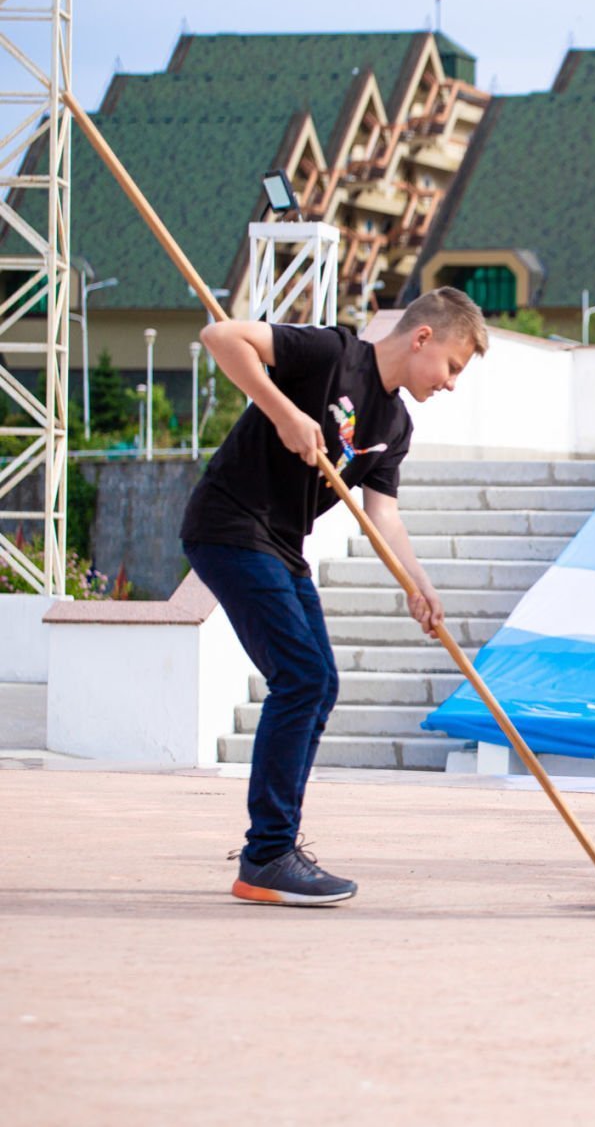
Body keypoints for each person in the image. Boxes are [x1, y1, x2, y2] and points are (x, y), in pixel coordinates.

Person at [185, 287, 487, 906]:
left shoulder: (395, 426)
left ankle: (274, 850)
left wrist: (418, 583)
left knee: (318, 682)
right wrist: (282, 412)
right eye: (453, 366)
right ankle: (268, 854)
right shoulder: (331, 353)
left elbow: (384, 517)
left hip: (280, 544)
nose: (452, 383)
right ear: (423, 338)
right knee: (300, 677)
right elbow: (221, 336)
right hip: (230, 525)